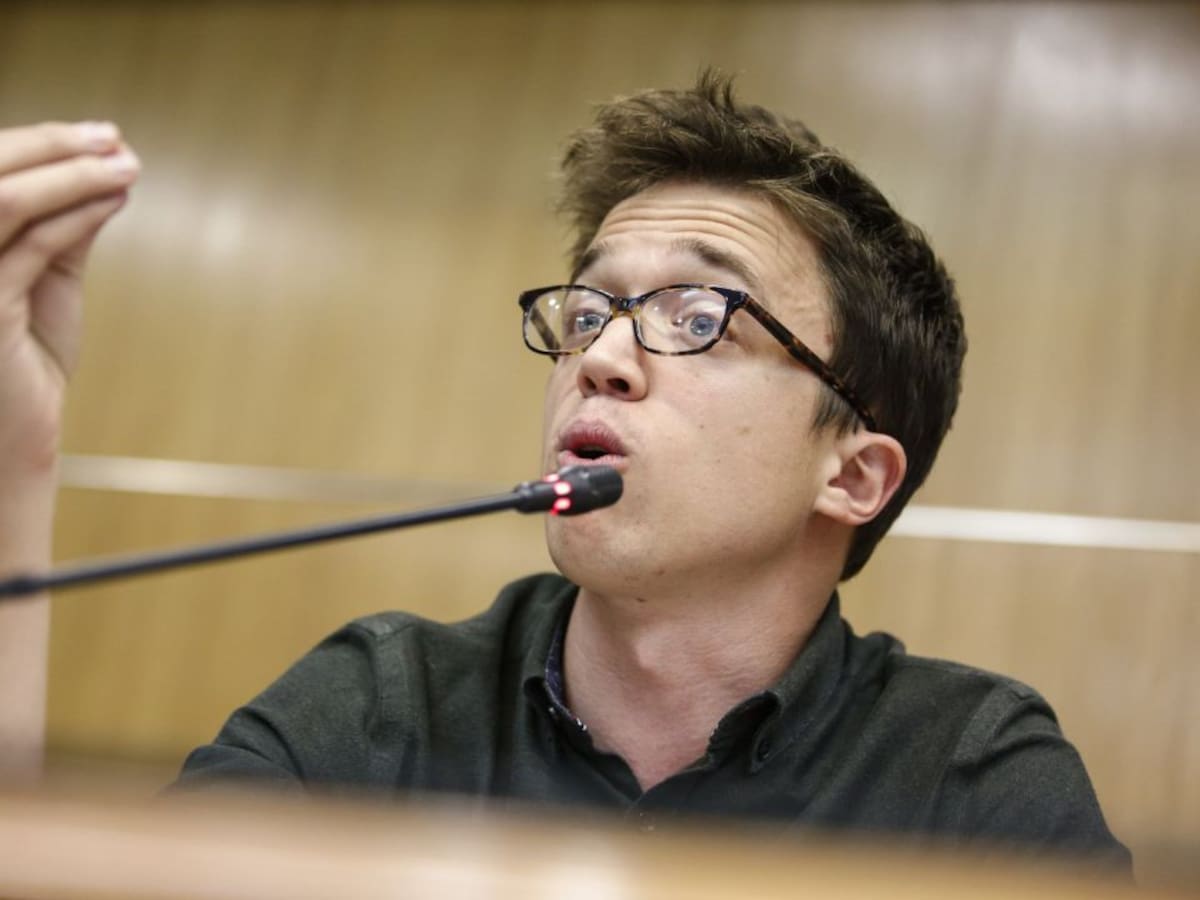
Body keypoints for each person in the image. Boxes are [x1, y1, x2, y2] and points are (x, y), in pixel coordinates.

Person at [0, 73, 1128, 866]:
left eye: (698, 315)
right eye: (589, 309)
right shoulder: (380, 702)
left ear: (855, 476)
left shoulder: (971, 775)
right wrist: (17, 456)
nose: (600, 358)